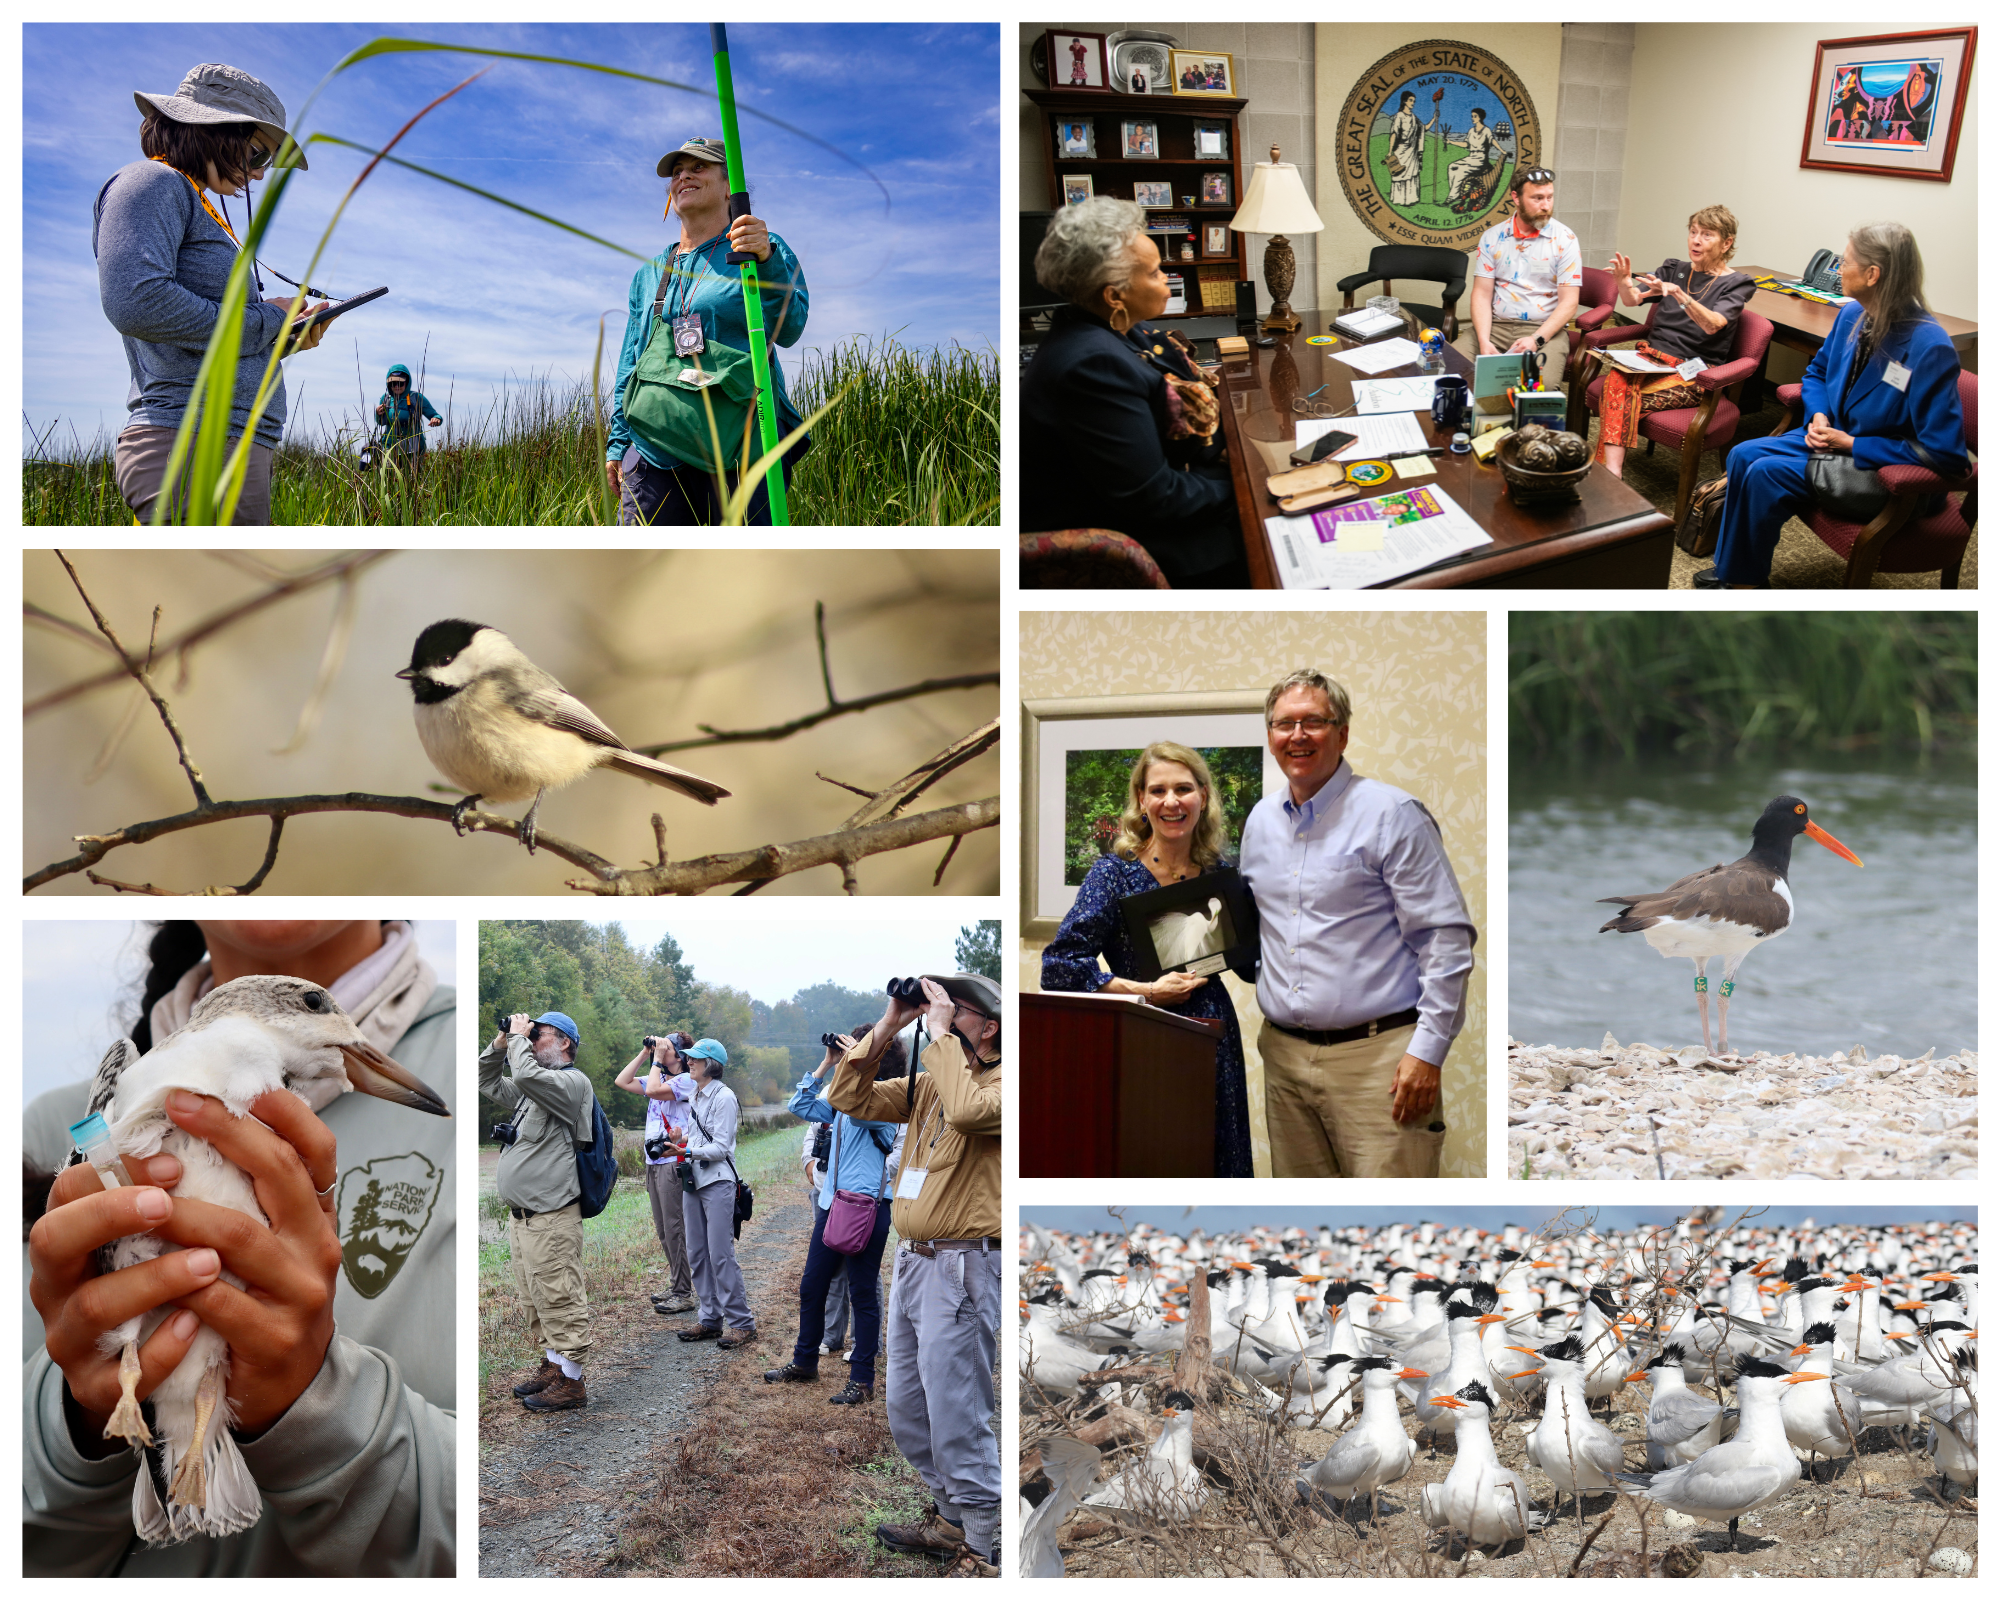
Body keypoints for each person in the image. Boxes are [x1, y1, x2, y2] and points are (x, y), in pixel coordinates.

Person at [24, 920, 454, 1574]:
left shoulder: (450, 1055)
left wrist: (317, 1403)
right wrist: (72, 1422)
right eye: (312, 1005)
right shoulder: (64, 1120)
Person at [1239, 671, 1477, 1180]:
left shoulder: (1392, 814)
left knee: (1390, 1227)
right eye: (1284, 724)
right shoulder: (1258, 822)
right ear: (1270, 735)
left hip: (1380, 1062)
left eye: (1314, 722)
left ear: (1342, 733)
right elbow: (1258, 931)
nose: (1297, 736)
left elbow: (1445, 940)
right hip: (1284, 1058)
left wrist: (1428, 1052)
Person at [96, 63, 329, 525]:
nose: (260, 175)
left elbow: (210, 336)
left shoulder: (192, 199)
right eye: (259, 155)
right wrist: (267, 320)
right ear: (213, 129)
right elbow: (136, 302)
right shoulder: (153, 182)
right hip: (189, 440)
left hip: (234, 440)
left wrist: (283, 338)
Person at [827, 974, 1001, 1578]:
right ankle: (952, 1518)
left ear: (989, 1025)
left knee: (957, 1408)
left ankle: (984, 1543)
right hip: (913, 1259)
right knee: (905, 1404)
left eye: (957, 1008)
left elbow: (970, 1112)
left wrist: (942, 1033)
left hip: (963, 1265)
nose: (940, 1012)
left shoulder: (1006, 1082)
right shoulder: (929, 1080)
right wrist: (891, 1023)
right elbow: (847, 1097)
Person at [1700, 222, 1967, 590]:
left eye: (1845, 262)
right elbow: (1818, 372)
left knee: (1764, 473)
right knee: (1743, 455)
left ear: (1873, 274)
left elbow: (1947, 456)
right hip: (1835, 435)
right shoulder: (1852, 315)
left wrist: (1851, 444)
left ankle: (1744, 584)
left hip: (1883, 467)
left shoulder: (1929, 346)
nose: (1838, 269)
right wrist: (1820, 415)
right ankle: (1737, 569)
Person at [1042, 742, 1255, 1177]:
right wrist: (1148, 992)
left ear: (1203, 797)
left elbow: (1250, 962)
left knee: (1215, 1163)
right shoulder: (1112, 874)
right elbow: (1058, 966)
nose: (1171, 802)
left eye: (1183, 789)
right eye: (1158, 791)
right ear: (1141, 799)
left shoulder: (1223, 875)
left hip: (1213, 1039)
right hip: (1139, 1036)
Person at [1020, 197, 1244, 587]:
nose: (1166, 278)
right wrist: (1246, 485)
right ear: (1114, 295)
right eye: (1156, 272)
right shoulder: (1090, 367)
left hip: (1174, 492)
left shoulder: (1117, 328)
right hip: (1134, 547)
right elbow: (1155, 498)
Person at [605, 137, 809, 526]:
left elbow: (791, 327)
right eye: (677, 171)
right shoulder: (648, 274)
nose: (683, 176)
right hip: (653, 451)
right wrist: (619, 442)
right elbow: (630, 361)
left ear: (730, 185)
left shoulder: (760, 248)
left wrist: (765, 262)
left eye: (698, 167)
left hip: (745, 445)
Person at [764, 1031, 904, 1403]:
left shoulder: (885, 1103)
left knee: (862, 1293)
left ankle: (862, 1379)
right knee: (812, 1285)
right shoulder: (845, 1099)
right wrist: (828, 1062)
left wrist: (855, 1063)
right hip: (832, 1204)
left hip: (866, 1208)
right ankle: (805, 1361)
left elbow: (858, 1107)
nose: (848, 1056)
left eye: (856, 1050)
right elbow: (799, 1104)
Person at [480, 1010, 596, 1413]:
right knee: (536, 1299)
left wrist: (516, 1038)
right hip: (525, 1218)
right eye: (528, 1036)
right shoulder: (535, 1091)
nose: (529, 1041)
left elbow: (527, 1074)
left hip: (552, 1216)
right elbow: (486, 1080)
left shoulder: (571, 1083)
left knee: (560, 1296)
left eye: (538, 1035)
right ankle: (553, 1366)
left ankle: (573, 1383)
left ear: (564, 1042)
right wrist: (500, 1043)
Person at [1594, 206, 1755, 473]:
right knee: (1618, 383)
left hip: (1694, 373)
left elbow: (1713, 325)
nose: (1696, 240)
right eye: (1693, 232)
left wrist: (1680, 296)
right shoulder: (1674, 269)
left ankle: (1611, 473)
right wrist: (1623, 281)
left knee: (1615, 393)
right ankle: (1612, 474)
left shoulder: (1737, 283)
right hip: (1650, 360)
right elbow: (1632, 299)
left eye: (1706, 234)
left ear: (1727, 243)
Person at [663, 1039, 756, 1350]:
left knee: (720, 1254)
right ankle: (709, 1319)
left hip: (717, 1182)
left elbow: (721, 1147)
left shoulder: (724, 1097)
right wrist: (682, 1137)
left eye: (696, 1060)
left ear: (711, 1065)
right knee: (697, 1253)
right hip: (694, 1180)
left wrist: (686, 1150)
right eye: (689, 1059)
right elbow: (703, 1134)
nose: (689, 1063)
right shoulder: (696, 1094)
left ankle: (742, 1323)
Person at [1468, 166, 1580, 375]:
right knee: (1453, 370)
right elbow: (1481, 294)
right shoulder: (1492, 237)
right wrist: (1483, 341)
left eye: (1549, 197)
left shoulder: (1566, 239)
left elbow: (1569, 302)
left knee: (1539, 388)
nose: (1546, 206)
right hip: (1495, 326)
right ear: (1516, 198)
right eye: (1537, 198)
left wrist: (1536, 339)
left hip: (1544, 331)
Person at [614, 1030, 695, 1316]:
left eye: (668, 1047)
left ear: (681, 1055)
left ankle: (684, 1292)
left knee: (675, 1229)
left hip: (673, 1161)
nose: (662, 1050)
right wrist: (646, 1053)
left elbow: (650, 1090)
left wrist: (657, 1061)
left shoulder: (686, 1081)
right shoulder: (657, 1075)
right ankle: (676, 1284)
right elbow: (622, 1081)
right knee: (663, 1229)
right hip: (654, 1161)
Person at [373, 363, 443, 466]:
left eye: (400, 383)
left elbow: (434, 415)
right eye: (393, 383)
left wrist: (436, 419)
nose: (396, 386)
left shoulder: (416, 398)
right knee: (390, 478)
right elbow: (381, 423)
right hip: (390, 447)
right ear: (389, 384)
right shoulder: (385, 398)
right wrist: (378, 414)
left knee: (413, 479)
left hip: (414, 449)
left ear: (407, 382)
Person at [1446, 106, 1501, 212]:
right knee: (1452, 166)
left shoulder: (1486, 130)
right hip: (1471, 157)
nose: (1472, 118)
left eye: (1474, 116)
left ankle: (1451, 198)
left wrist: (1502, 151)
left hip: (1480, 159)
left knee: (1460, 171)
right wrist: (1451, 142)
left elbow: (1492, 141)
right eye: (1472, 116)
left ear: (1480, 117)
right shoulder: (1471, 130)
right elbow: (1466, 144)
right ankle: (1456, 194)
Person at [1386, 91, 1434, 207]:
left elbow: (1424, 128)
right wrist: (1389, 151)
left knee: (1412, 174)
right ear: (1404, 101)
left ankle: (1411, 199)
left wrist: (1434, 118)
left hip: (1412, 151)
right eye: (1410, 100)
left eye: (1414, 101)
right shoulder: (1399, 116)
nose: (1413, 103)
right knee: (1399, 174)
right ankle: (1399, 199)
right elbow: (1394, 133)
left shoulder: (1414, 118)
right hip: (1401, 150)